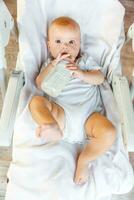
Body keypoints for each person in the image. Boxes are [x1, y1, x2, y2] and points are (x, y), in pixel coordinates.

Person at [29, 16, 116, 185]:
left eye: (71, 42)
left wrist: (81, 73)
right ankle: (51, 126)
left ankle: (84, 159)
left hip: (89, 117)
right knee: (36, 102)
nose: (65, 47)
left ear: (79, 44)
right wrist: (53, 65)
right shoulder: (49, 64)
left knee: (109, 132)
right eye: (58, 41)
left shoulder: (84, 61)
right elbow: (39, 84)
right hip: (62, 114)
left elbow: (100, 78)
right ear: (49, 46)